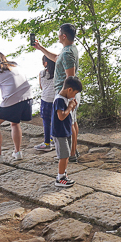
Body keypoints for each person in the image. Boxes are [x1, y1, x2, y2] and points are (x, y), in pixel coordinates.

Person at [35, 23, 80, 160]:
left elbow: (70, 77)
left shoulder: (67, 53)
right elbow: (56, 59)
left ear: (64, 36)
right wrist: (41, 48)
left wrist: (65, 97)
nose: (58, 35)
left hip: (66, 93)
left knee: (70, 123)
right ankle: (73, 150)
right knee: (73, 122)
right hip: (68, 92)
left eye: (59, 33)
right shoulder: (69, 49)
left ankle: (71, 154)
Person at [0, 52, 34, 163]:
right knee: (15, 123)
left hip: (12, 101)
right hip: (28, 99)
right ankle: (18, 152)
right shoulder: (15, 65)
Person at [52, 76, 83, 188]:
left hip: (65, 131)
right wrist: (70, 107)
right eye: (74, 93)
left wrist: (71, 107)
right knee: (63, 156)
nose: (74, 96)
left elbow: (67, 114)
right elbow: (61, 116)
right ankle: (60, 178)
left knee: (67, 155)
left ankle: (64, 175)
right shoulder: (59, 99)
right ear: (69, 89)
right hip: (59, 132)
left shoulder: (65, 99)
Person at [38, 55, 56, 149]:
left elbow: (41, 86)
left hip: (46, 99)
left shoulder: (42, 73)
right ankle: (53, 140)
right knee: (54, 120)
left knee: (46, 121)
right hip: (56, 99)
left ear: (45, 63)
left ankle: (47, 143)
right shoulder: (58, 73)